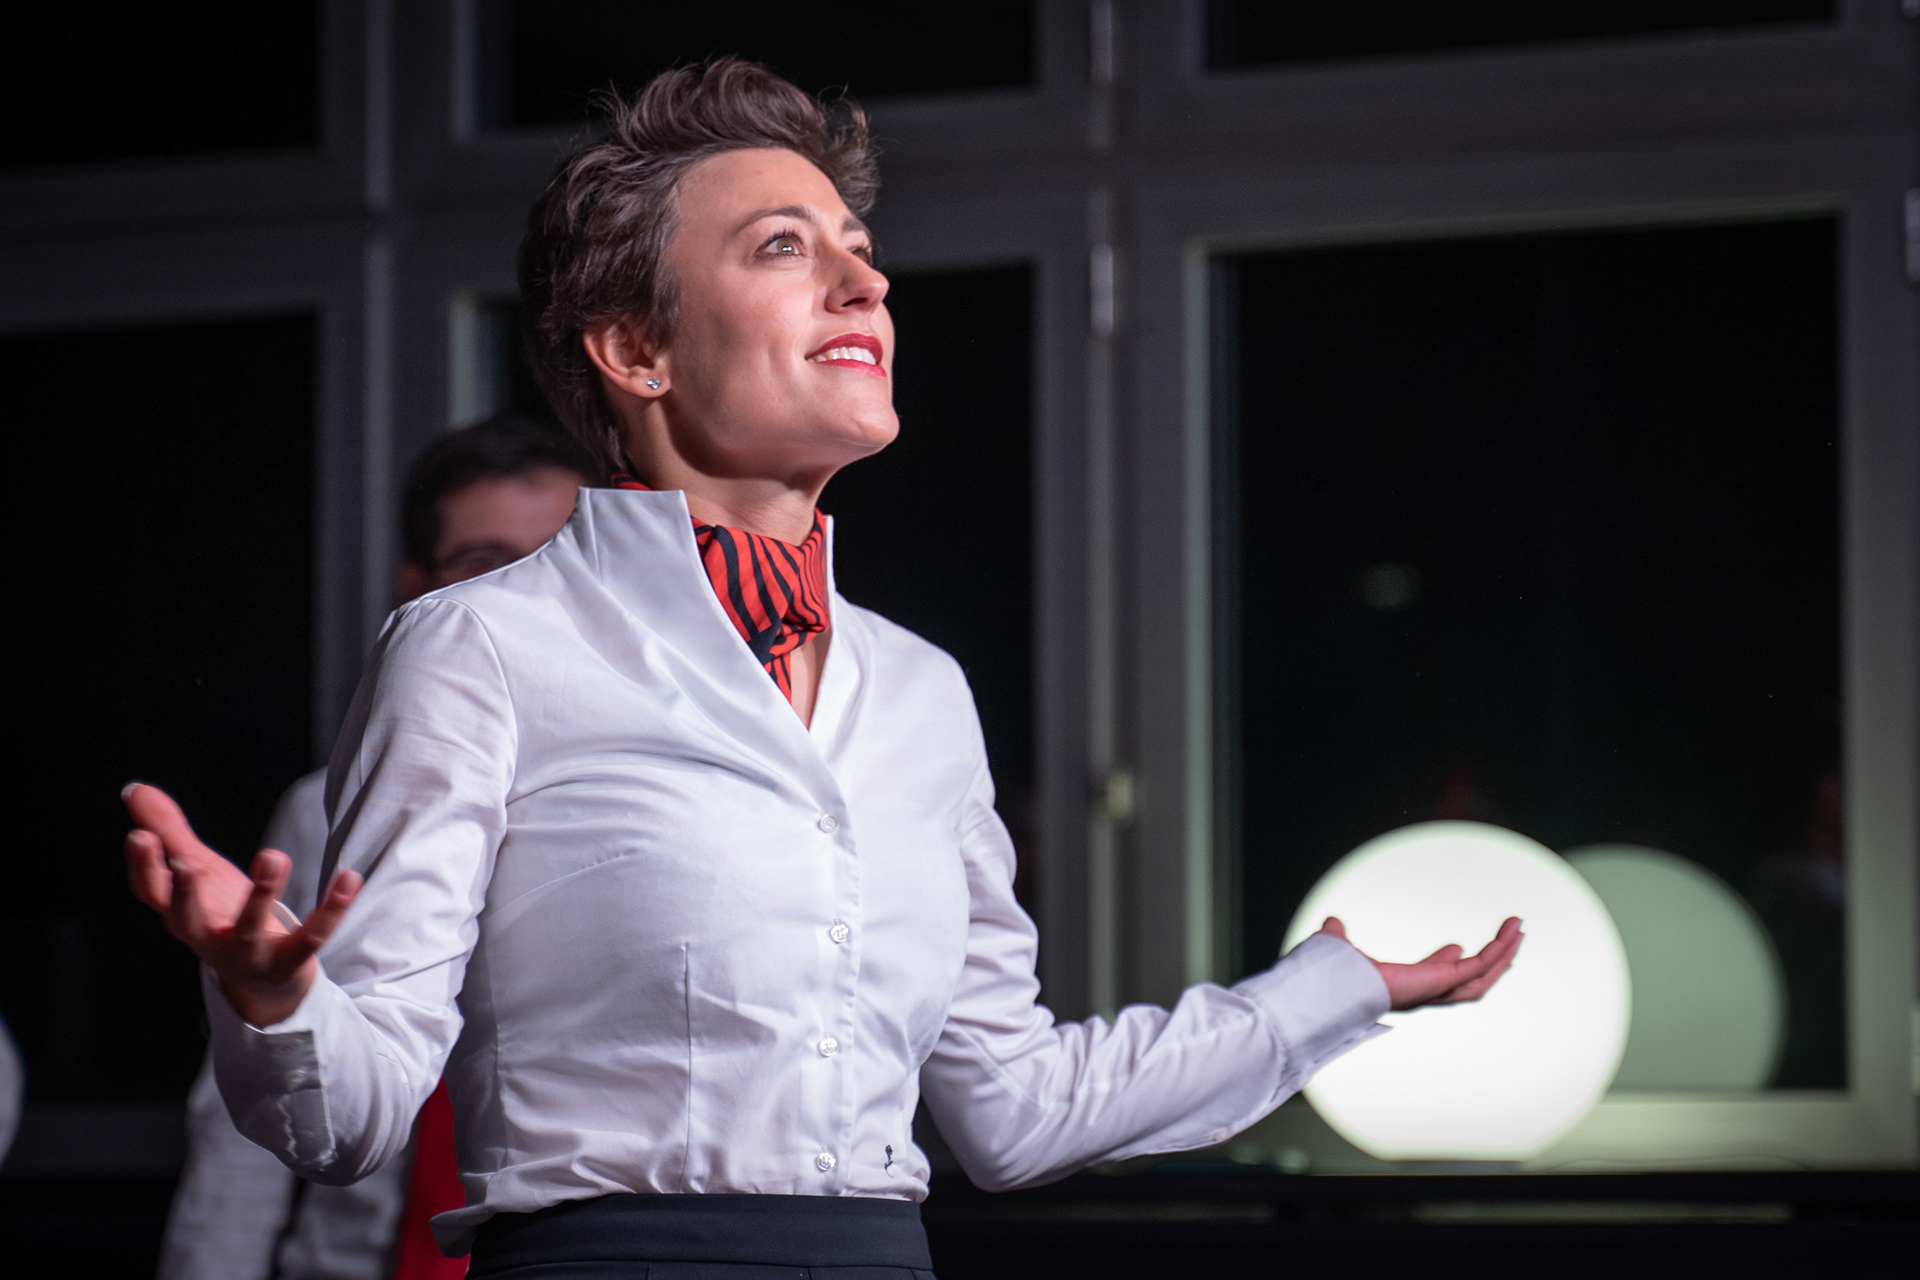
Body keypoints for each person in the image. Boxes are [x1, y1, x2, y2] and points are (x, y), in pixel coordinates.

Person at [124, 60, 1522, 1279]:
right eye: (785, 246)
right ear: (636, 347)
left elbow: (1016, 1107)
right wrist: (275, 1000)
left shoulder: (920, 690)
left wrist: (1338, 988)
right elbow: (356, 1113)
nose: (868, 281)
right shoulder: (482, 645)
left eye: (860, 247)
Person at [158, 414, 595, 1280]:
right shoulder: (325, 811)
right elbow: (248, 1110)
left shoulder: (660, 810)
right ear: (417, 587)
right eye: (487, 562)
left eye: (554, 559)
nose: (524, 596)